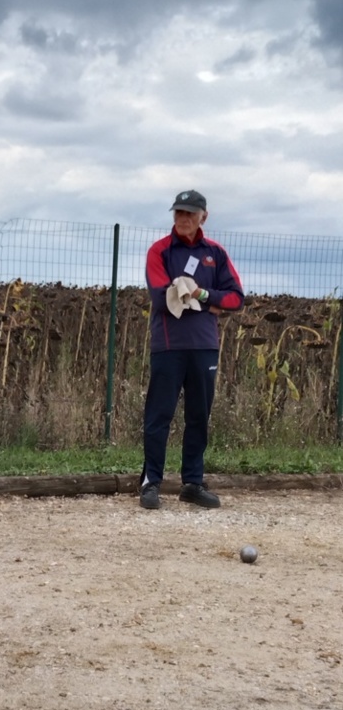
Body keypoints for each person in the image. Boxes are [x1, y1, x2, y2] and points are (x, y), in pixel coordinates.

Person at [140, 190, 244, 510]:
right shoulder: (159, 251)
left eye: (190, 213)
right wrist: (210, 303)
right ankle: (151, 483)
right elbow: (161, 297)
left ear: (203, 217)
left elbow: (236, 299)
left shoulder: (216, 253)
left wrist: (197, 294)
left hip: (204, 347)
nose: (183, 219)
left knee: (199, 416)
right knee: (159, 416)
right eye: (178, 213)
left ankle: (193, 483)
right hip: (168, 346)